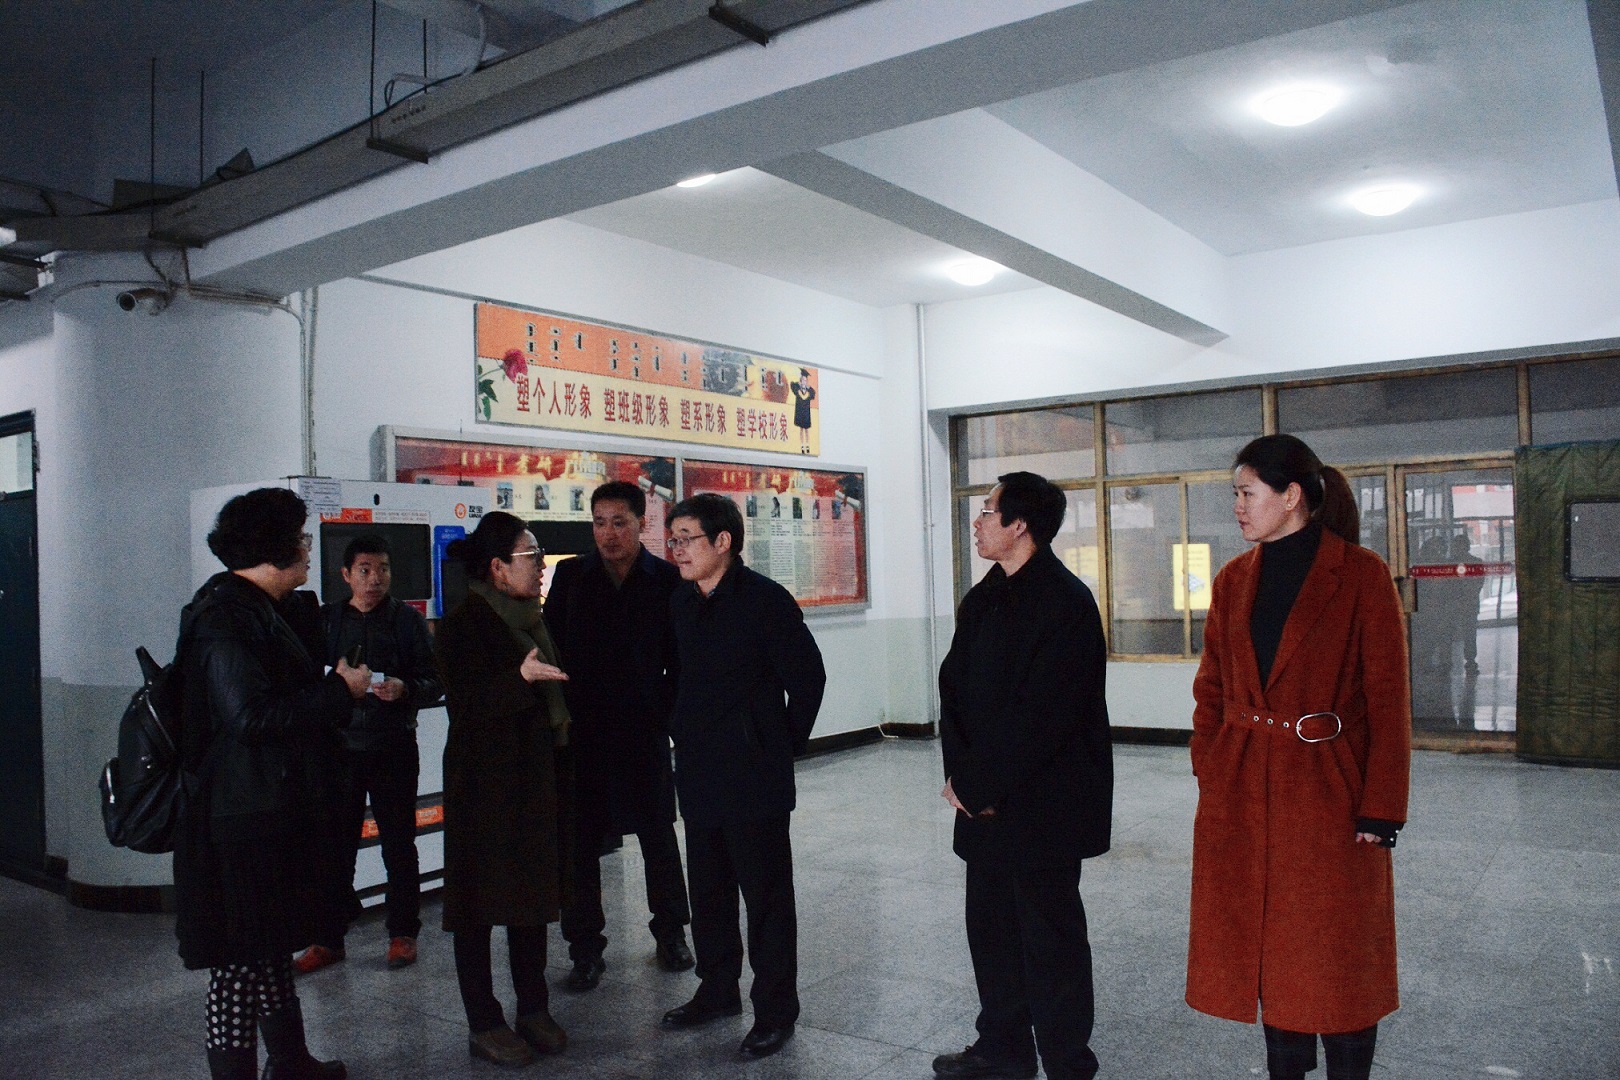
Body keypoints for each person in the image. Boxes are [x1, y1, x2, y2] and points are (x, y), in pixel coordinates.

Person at [1187, 434, 1412, 1080]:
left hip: (1330, 792)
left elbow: (1388, 699)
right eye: (1235, 493)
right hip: (1245, 790)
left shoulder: (1361, 574)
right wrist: (1211, 766)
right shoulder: (1234, 580)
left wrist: (1382, 808)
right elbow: (1211, 689)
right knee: (1271, 948)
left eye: (1246, 492)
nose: (1237, 505)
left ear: (1291, 497)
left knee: (1338, 956)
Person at [173, 487, 372, 1080]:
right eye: (301, 538)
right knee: (238, 962)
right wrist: (340, 692)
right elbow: (250, 717)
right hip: (241, 819)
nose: (308, 549)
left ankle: (290, 1061)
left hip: (267, 807)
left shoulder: (258, 608)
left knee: (269, 946)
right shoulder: (224, 618)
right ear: (275, 547)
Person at [934, 471, 1114, 1080]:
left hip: (1043, 808)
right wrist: (964, 783)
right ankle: (1002, 1049)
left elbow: (1044, 717)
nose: (978, 522)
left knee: (1050, 940)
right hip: (981, 804)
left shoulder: (1065, 603)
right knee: (991, 932)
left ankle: (1067, 1061)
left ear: (1019, 526)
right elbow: (955, 693)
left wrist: (980, 785)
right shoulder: (985, 596)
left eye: (988, 512)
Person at [660, 493, 825, 1059]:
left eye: (686, 538)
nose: (677, 550)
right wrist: (677, 725)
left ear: (723, 541)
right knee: (708, 892)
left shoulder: (764, 601)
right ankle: (717, 989)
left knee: (766, 898)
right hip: (700, 771)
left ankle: (775, 1011)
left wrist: (779, 745)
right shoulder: (682, 602)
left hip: (754, 777)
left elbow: (809, 678)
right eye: (672, 539)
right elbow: (677, 677)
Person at [435, 512, 574, 1068]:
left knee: (530, 900)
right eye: (531, 556)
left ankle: (533, 1008)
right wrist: (518, 679)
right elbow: (467, 706)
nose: (540, 566)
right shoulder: (461, 626)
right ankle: (484, 1020)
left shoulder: (533, 620)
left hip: (533, 780)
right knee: (476, 907)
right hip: (482, 787)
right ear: (496, 568)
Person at [545, 481, 693, 990]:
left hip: (642, 732)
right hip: (584, 734)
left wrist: (665, 715)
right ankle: (585, 948)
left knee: (658, 836)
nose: (608, 534)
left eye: (619, 523)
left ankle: (671, 933)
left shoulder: (667, 580)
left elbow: (681, 660)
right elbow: (552, 649)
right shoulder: (571, 577)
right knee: (580, 844)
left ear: (641, 524)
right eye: (599, 523)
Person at [294, 534, 441, 975]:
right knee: (335, 846)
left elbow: (434, 681)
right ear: (346, 575)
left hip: (393, 746)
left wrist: (405, 688)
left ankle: (403, 933)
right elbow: (307, 681)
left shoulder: (407, 621)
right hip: (339, 748)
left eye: (383, 569)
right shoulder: (327, 621)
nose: (375, 579)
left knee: (399, 843)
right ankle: (328, 938)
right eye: (365, 570)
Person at [792, 368, 815, 454]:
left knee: (806, 429)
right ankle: (802, 446)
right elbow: (793, 385)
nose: (804, 382)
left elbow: (813, 394)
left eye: (805, 380)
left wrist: (808, 388)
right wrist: (798, 384)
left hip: (806, 412)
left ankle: (807, 445)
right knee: (801, 429)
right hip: (800, 411)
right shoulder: (798, 388)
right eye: (803, 380)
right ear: (800, 381)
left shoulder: (809, 390)